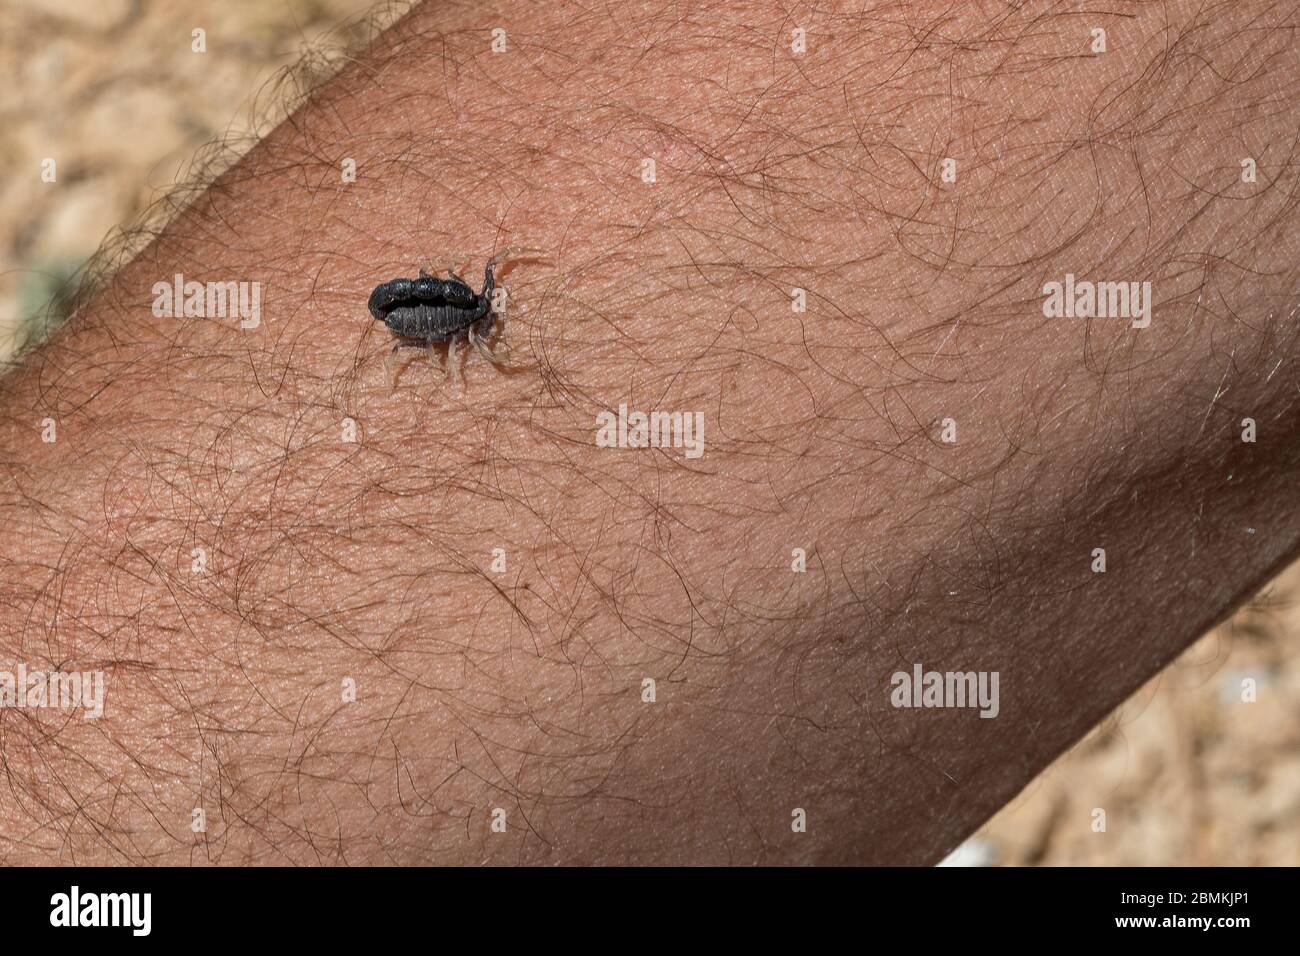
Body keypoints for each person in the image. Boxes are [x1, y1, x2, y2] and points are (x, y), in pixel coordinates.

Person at [0, 0, 1295, 864]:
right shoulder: (459, 316)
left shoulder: (455, 316)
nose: (477, 299)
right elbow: (426, 307)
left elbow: (425, 307)